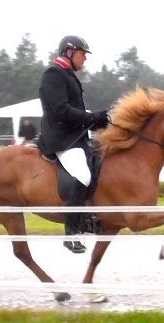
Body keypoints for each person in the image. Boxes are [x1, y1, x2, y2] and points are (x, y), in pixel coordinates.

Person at [36, 35, 110, 253]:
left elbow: (75, 110)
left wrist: (98, 120)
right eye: (82, 54)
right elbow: (61, 111)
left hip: (74, 136)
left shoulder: (67, 74)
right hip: (60, 138)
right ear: (69, 52)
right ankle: (71, 234)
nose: (85, 59)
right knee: (83, 175)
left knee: (100, 161)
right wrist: (91, 118)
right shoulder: (53, 74)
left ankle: (90, 217)